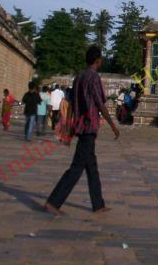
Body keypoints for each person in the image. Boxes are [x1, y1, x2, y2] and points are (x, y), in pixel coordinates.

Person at [45, 46, 120, 215]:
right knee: (77, 167)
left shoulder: (79, 77)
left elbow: (70, 103)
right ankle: (53, 202)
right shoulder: (93, 78)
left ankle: (98, 203)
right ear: (98, 60)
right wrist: (113, 125)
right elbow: (100, 104)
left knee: (91, 167)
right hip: (89, 126)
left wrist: (69, 126)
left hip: (81, 125)